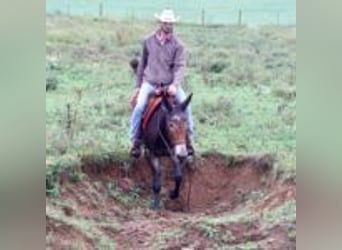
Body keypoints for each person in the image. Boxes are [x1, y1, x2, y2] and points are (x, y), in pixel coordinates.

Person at [129, 8, 195, 158]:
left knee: (187, 107)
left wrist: (175, 85)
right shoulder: (148, 41)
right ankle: (135, 141)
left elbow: (180, 66)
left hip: (170, 84)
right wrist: (138, 87)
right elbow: (142, 64)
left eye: (171, 23)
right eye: (166, 23)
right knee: (139, 107)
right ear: (160, 23)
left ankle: (190, 141)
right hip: (150, 83)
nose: (168, 25)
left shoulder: (178, 45)